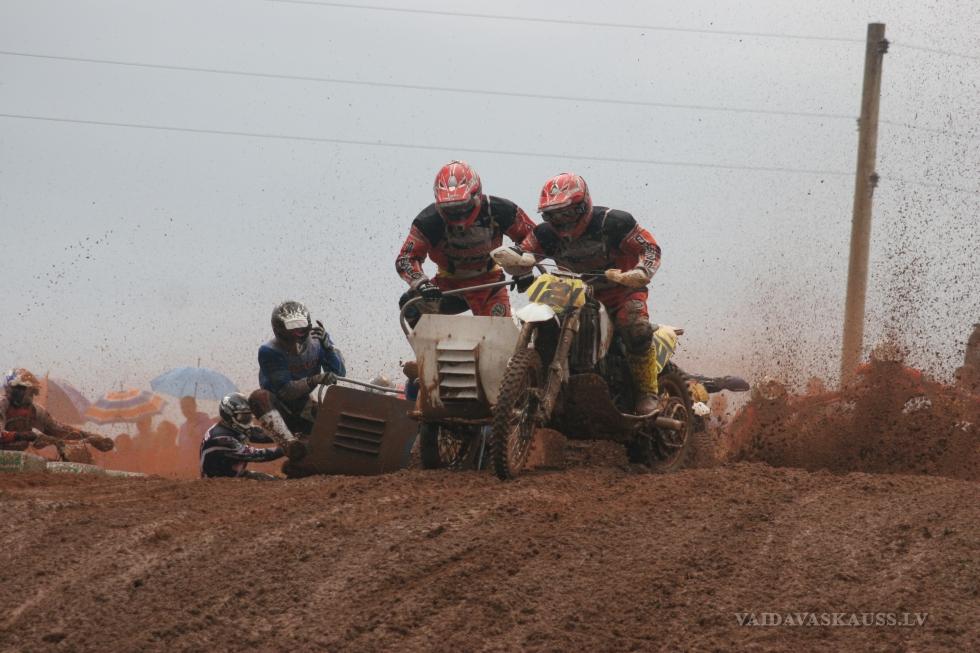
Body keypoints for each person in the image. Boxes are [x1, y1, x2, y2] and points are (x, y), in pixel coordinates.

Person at [502, 172, 664, 413]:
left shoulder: (613, 223)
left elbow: (649, 247)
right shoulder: (545, 234)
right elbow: (524, 252)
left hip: (622, 291)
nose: (561, 221)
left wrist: (641, 271)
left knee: (636, 329)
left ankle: (647, 392)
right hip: (571, 293)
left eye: (567, 213)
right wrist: (515, 262)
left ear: (583, 206)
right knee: (546, 324)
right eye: (552, 215)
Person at [395, 160, 536, 326]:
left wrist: (523, 269)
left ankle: (512, 332)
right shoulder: (428, 221)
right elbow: (406, 258)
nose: (457, 212)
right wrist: (421, 283)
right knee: (410, 306)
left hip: (489, 285)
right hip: (448, 286)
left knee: (499, 334)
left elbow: (533, 237)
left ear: (477, 195)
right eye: (449, 208)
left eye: (462, 205)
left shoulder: (500, 210)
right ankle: (429, 343)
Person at [247, 300, 346, 460]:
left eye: (300, 326)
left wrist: (329, 349)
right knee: (258, 397)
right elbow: (286, 391)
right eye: (291, 328)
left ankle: (307, 446)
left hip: (303, 405)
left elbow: (339, 374)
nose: (296, 332)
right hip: (276, 407)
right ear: (278, 329)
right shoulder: (269, 351)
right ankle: (289, 444)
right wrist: (315, 379)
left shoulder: (318, 341)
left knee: (331, 424)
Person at [1, 368, 114, 457]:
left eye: (32, 392)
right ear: (14, 389)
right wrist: (25, 436)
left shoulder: (35, 411)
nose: (29, 397)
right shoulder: (2, 404)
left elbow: (59, 430)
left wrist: (90, 437)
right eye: (27, 391)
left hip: (15, 459)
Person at [200, 393, 283, 479]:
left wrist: (288, 437)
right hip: (218, 482)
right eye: (242, 417)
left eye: (248, 416)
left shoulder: (232, 427)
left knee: (276, 480)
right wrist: (286, 448)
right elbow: (257, 455)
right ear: (228, 415)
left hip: (236, 475)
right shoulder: (220, 439)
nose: (246, 420)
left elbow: (261, 435)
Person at [176, 396, 216, 474]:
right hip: (186, 468)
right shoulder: (183, 427)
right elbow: (181, 448)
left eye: (188, 406)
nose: (186, 410)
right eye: (183, 407)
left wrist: (195, 437)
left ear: (195, 406)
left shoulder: (207, 423)